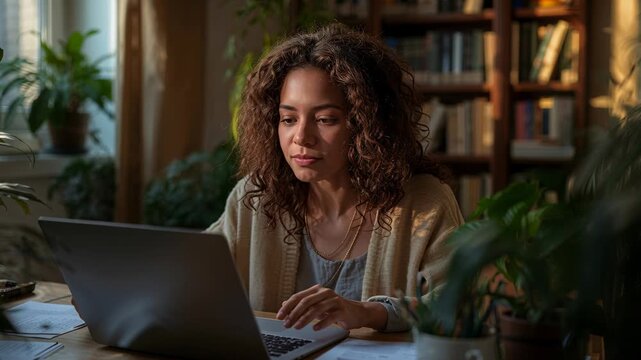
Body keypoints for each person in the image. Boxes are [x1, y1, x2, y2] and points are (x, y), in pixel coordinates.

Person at [206, 23, 463, 332]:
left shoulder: (425, 203)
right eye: (288, 119)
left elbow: (457, 305)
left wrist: (370, 313)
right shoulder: (257, 197)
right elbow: (191, 272)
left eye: (326, 119)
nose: (301, 137)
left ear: (368, 124)